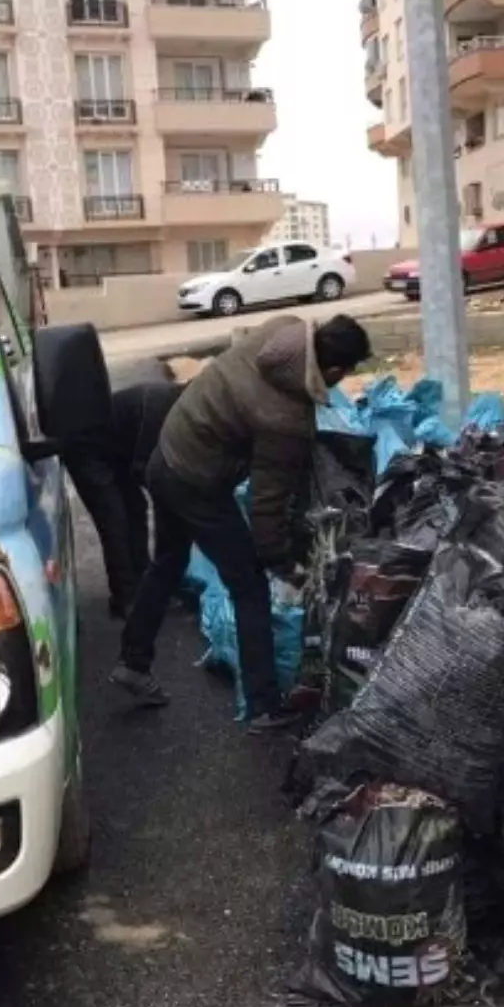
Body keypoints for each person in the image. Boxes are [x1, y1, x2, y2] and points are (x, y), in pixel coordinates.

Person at [112, 314, 372, 733]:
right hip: (197, 482)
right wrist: (284, 562)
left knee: (167, 561)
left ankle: (132, 662)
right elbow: (268, 507)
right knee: (249, 585)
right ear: (336, 370)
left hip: (167, 452)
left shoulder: (281, 331)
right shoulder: (285, 417)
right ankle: (264, 706)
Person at [62, 379, 183, 617]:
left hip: (118, 451)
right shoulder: (158, 407)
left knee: (136, 509)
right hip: (87, 450)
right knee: (114, 520)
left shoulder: (174, 405)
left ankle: (146, 587)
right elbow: (145, 470)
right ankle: (125, 598)